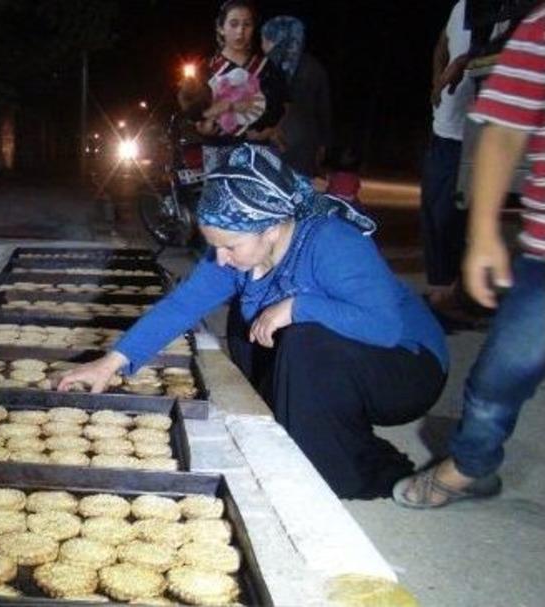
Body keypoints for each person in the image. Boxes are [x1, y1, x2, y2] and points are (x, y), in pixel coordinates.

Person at [58, 145, 450, 500]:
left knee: (303, 338)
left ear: (272, 227)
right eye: (215, 246)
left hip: (406, 367)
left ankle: (353, 474)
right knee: (250, 321)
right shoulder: (237, 252)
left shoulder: (332, 242)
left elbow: (383, 328)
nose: (222, 258)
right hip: (346, 359)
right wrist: (111, 363)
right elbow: (181, 306)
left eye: (230, 246)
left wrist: (299, 306)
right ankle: (319, 431)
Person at [394, 5, 545, 509]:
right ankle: (471, 464)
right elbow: (503, 130)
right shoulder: (539, 28)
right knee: (499, 376)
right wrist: (481, 235)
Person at [183, 0, 289, 172]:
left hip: (261, 153)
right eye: (233, 24)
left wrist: (270, 131)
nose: (240, 31)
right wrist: (203, 127)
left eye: (247, 24)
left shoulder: (267, 67)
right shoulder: (205, 69)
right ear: (221, 28)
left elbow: (285, 105)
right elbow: (194, 114)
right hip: (218, 152)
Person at [420, 0, 475, 319]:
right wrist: (438, 75)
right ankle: (440, 289)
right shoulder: (462, 7)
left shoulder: (505, 13)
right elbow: (442, 41)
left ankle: (451, 293)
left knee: (452, 214)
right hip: (445, 124)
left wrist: (465, 61)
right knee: (433, 208)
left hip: (475, 131)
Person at [260, 16, 332, 177]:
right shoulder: (315, 67)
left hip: (270, 138)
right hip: (306, 142)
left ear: (275, 40)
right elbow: (323, 110)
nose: (262, 45)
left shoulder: (263, 67)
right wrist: (323, 144)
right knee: (299, 191)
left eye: (264, 39)